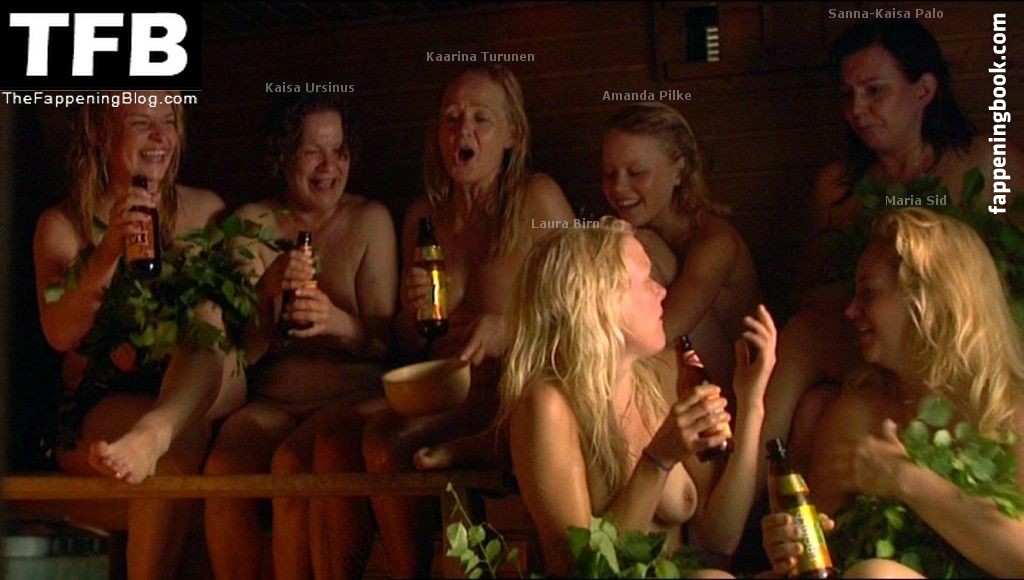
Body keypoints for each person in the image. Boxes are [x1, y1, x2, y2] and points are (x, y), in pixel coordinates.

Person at [326, 64, 574, 578]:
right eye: (452, 118)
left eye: (482, 119)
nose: (464, 131)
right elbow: (405, 343)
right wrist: (413, 316)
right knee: (341, 438)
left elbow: (585, 310)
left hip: (511, 395)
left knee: (385, 443)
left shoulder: (537, 200)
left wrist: (509, 329)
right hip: (440, 391)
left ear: (512, 135)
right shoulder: (424, 216)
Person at [762, 18, 1024, 472]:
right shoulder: (838, 189)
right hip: (878, 340)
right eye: (847, 95)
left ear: (924, 90)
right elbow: (806, 291)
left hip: (970, 338)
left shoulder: (987, 165)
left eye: (874, 91)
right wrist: (867, 289)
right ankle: (749, 474)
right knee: (804, 338)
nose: (857, 109)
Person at [33, 93, 245, 579]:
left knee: (206, 313)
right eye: (139, 122)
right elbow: (59, 333)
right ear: (101, 134)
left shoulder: (206, 212)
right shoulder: (64, 224)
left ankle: (153, 434)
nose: (159, 136)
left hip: (195, 396)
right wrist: (106, 254)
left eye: (168, 121)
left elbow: (236, 335)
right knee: (179, 445)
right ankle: (154, 436)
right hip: (104, 405)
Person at [501, 218, 777, 576]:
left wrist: (752, 401)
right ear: (600, 300)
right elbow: (578, 570)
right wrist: (657, 459)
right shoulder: (549, 406)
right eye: (647, 280)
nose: (662, 291)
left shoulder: (662, 375)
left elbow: (720, 537)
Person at [762, 208, 1024, 578]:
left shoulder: (1009, 414)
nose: (850, 312)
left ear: (929, 299)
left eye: (867, 294)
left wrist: (906, 479)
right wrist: (790, 548)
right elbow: (820, 553)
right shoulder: (857, 418)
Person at [202, 94, 397, 580]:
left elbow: (386, 343)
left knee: (291, 466)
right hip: (272, 401)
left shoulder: (369, 221)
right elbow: (242, 353)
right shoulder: (252, 225)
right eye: (313, 152)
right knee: (222, 471)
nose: (329, 167)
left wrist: (336, 322)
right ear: (284, 155)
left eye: (340, 151)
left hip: (348, 397)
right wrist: (266, 293)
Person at [602, 102, 762, 385]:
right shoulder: (630, 234)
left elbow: (666, 330)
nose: (619, 187)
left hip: (731, 387)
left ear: (679, 170)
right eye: (609, 174)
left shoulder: (715, 242)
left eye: (637, 173)